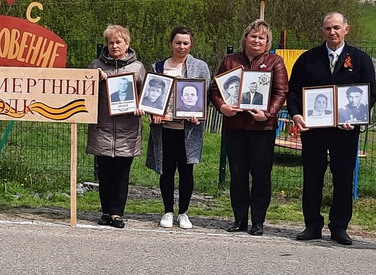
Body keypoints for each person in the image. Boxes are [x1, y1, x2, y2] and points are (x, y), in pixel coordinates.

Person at [287, 12, 376, 246]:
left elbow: (371, 94)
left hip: (346, 132)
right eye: (328, 28)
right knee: (312, 177)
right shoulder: (308, 59)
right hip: (313, 130)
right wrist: (296, 114)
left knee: (343, 179)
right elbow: (294, 92)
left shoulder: (360, 59)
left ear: (347, 29)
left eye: (336, 27)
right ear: (322, 31)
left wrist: (356, 118)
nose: (332, 32)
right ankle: (312, 225)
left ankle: (339, 227)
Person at [207, 19, 288, 236]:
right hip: (235, 127)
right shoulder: (230, 60)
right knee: (238, 174)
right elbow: (214, 90)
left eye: (262, 37)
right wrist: (222, 106)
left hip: (263, 129)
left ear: (268, 41)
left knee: (261, 176)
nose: (257, 40)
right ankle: (239, 219)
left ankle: (258, 222)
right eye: (253, 36)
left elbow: (281, 93)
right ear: (245, 39)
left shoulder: (275, 62)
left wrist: (268, 113)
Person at [146, 26, 209, 230]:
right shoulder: (157, 66)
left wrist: (198, 113)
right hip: (164, 128)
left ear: (191, 44)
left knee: (186, 171)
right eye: (178, 42)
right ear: (171, 43)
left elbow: (205, 96)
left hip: (188, 130)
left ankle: (183, 212)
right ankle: (167, 211)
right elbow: (149, 97)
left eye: (186, 43)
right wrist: (152, 113)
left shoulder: (200, 67)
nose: (181, 47)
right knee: (166, 170)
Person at [88, 24, 146, 229]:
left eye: (119, 42)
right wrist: (96, 78)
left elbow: (145, 95)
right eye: (111, 42)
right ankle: (105, 212)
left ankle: (117, 213)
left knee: (121, 174)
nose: (114, 46)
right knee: (104, 173)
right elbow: (86, 93)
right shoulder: (96, 65)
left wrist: (140, 106)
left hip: (127, 130)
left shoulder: (137, 67)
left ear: (127, 44)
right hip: (102, 128)